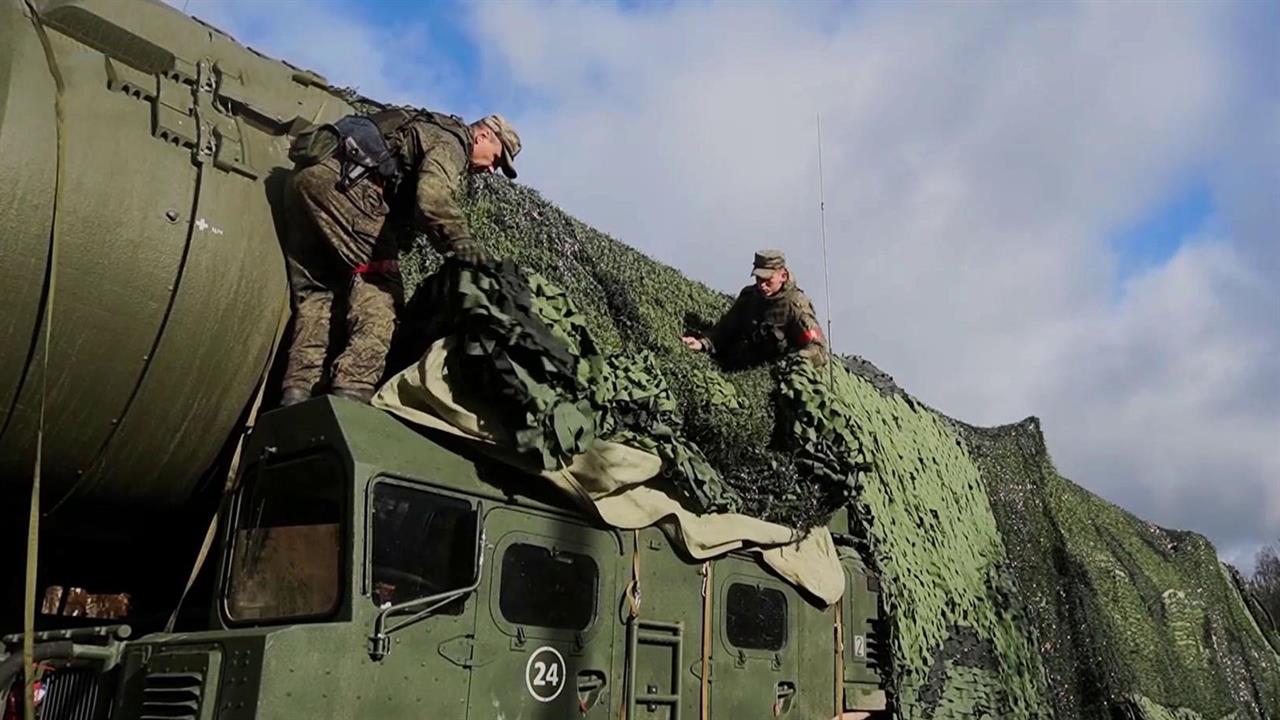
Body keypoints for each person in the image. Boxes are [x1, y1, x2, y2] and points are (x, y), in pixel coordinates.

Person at [280, 109, 522, 406]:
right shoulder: (453, 141)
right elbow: (432, 198)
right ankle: (352, 389)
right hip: (348, 188)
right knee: (381, 288)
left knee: (320, 291)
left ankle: (298, 390)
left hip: (307, 178)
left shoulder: (421, 124)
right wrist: (463, 244)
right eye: (497, 158)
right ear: (483, 135)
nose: (492, 170)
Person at [681, 250, 829, 368]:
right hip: (746, 364)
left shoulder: (796, 306)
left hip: (779, 373)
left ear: (783, 276)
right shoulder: (749, 297)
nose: (762, 285)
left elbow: (817, 348)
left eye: (768, 280)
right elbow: (725, 329)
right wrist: (702, 343)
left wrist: (795, 362)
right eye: (759, 279)